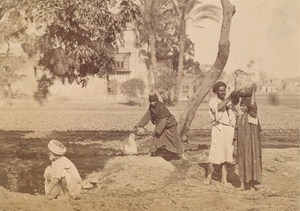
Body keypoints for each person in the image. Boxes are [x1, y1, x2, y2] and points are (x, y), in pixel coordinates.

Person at [204, 81, 238, 186]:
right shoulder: (213, 101)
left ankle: (224, 179)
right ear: (216, 92)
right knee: (214, 153)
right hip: (219, 128)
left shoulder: (228, 102)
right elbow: (219, 108)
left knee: (227, 155)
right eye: (221, 91)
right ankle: (209, 177)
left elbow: (235, 105)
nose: (223, 92)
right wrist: (229, 98)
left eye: (224, 90)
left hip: (229, 130)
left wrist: (235, 95)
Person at [134, 93, 186, 159]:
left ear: (156, 100)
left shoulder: (161, 107)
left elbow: (163, 121)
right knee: (155, 139)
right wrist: (140, 124)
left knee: (176, 140)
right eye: (151, 101)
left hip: (170, 125)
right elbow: (146, 116)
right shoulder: (151, 107)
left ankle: (182, 155)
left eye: (154, 101)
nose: (152, 103)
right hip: (161, 125)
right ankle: (151, 153)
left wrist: (156, 131)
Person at [236, 85, 262, 190]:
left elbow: (252, 105)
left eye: (244, 106)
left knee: (251, 161)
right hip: (242, 146)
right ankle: (242, 184)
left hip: (251, 146)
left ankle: (252, 183)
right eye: (241, 106)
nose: (242, 108)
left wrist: (253, 92)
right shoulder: (241, 117)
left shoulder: (252, 116)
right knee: (242, 162)